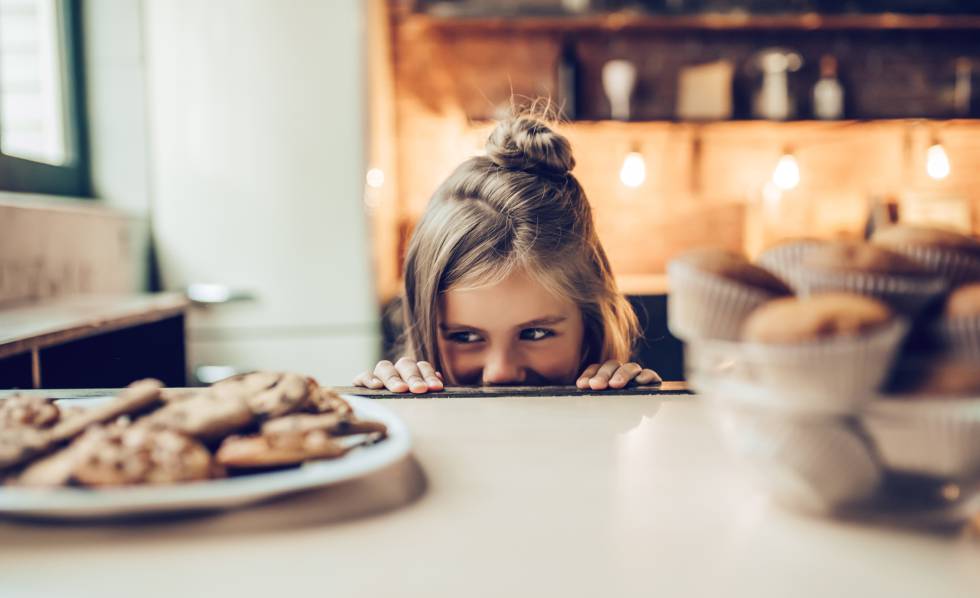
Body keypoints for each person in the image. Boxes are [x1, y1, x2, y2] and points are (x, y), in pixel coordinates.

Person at [354, 111, 660, 394]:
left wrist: (624, 407)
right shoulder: (402, 425)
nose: (500, 373)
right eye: (465, 337)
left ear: (590, 329)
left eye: (536, 334)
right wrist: (393, 411)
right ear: (424, 325)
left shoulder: (616, 411)